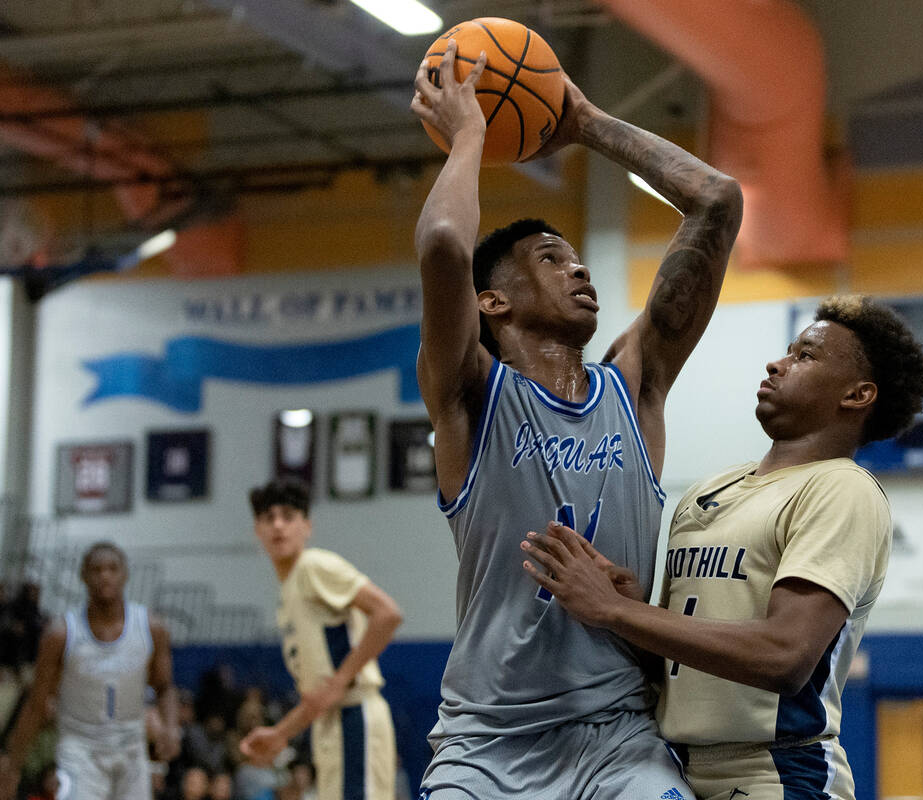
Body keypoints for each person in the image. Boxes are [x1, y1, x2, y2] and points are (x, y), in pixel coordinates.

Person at [409, 35, 742, 799]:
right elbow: (441, 245)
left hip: (618, 735)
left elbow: (717, 201)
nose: (580, 268)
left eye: (575, 257)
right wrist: (470, 136)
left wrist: (586, 121)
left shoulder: (635, 387)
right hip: (487, 743)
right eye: (551, 259)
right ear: (492, 302)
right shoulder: (469, 395)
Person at [522, 295, 923, 800]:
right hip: (674, 765)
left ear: (857, 394)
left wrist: (614, 613)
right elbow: (678, 663)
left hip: (776, 773)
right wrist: (628, 609)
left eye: (805, 356)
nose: (776, 363)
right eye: (787, 351)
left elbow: (784, 657)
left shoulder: (842, 489)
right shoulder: (708, 492)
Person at [239, 478, 403, 800]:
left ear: (307, 526)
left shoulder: (314, 566)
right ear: (257, 529)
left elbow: (387, 613)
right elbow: (320, 695)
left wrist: (342, 679)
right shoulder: (289, 592)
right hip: (330, 724)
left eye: (288, 516)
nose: (278, 525)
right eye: (268, 518)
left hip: (355, 717)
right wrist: (280, 734)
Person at [0, 542, 180, 800]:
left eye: (112, 568)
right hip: (80, 750)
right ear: (83, 576)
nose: (105, 575)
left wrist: (171, 726)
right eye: (97, 569)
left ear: (125, 574)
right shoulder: (60, 633)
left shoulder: (152, 627)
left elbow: (165, 687)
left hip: (131, 748)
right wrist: (12, 768)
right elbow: (36, 705)